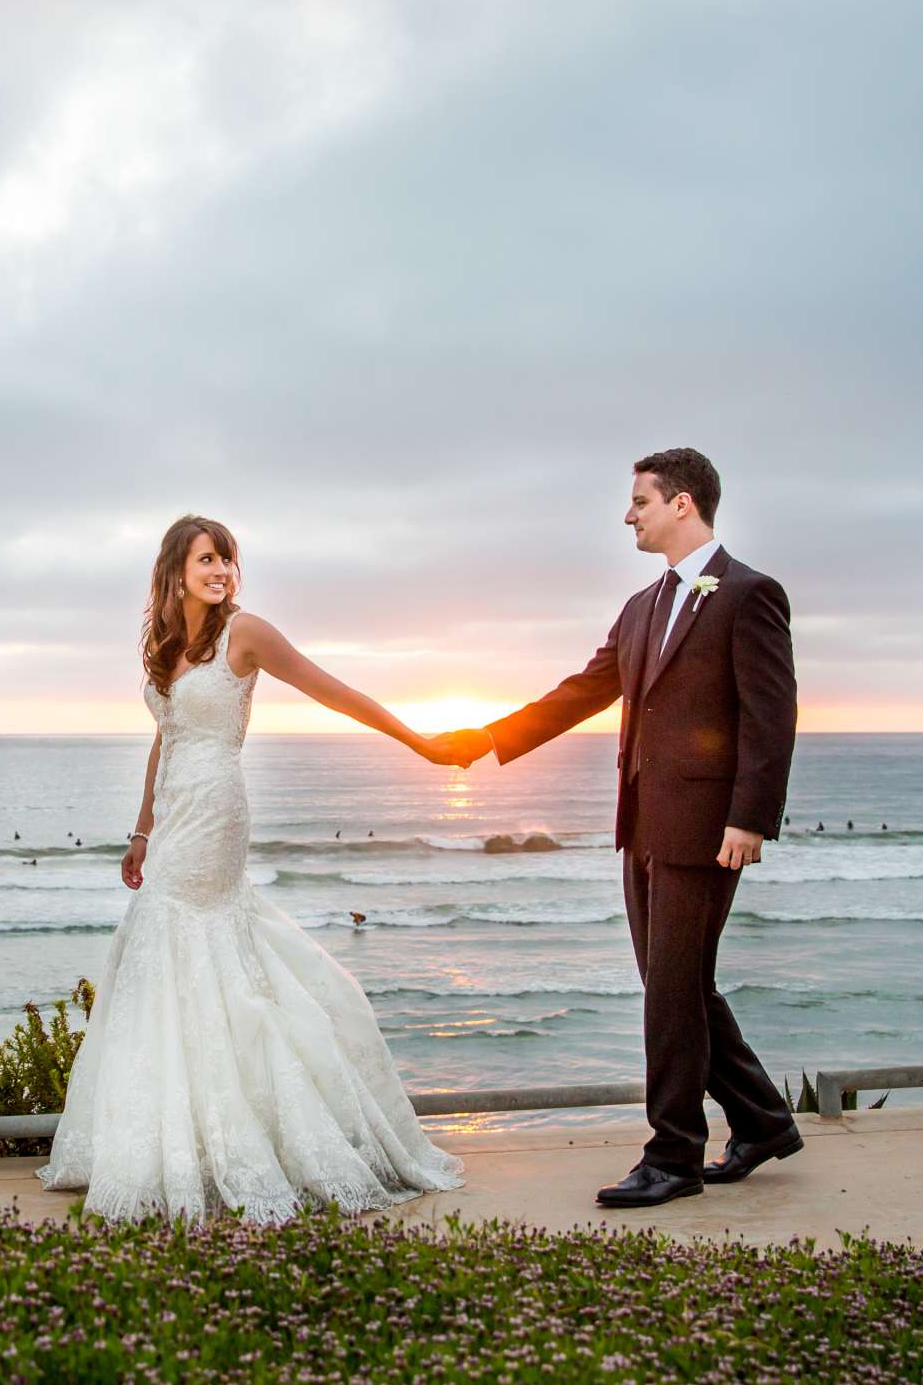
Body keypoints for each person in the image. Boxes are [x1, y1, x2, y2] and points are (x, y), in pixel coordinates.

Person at [40, 515, 464, 1224]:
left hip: (215, 811)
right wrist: (142, 828)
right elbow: (164, 738)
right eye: (209, 559)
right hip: (176, 811)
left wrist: (418, 742)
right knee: (171, 950)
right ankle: (177, 1139)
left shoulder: (247, 632)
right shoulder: (169, 644)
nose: (223, 572)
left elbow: (332, 691)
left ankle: (222, 1143)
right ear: (176, 569)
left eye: (230, 561)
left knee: (184, 940)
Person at [434, 448, 798, 1209]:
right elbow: (584, 692)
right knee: (677, 985)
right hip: (642, 826)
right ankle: (762, 1121)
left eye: (640, 501)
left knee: (669, 990)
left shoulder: (749, 594)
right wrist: (485, 740)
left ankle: (673, 1155)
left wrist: (749, 818)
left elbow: (771, 716)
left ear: (684, 504)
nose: (628, 514)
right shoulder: (638, 608)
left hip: (707, 829)